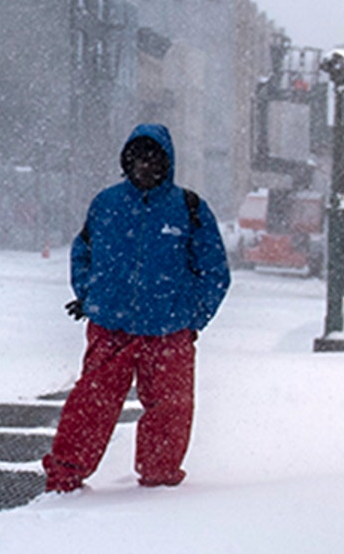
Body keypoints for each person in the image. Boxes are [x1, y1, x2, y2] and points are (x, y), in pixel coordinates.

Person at [43, 124, 231, 492]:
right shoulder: (107, 204)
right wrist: (91, 295)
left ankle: (159, 482)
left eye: (153, 157)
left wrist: (193, 319)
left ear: (167, 162)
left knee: (170, 410)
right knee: (91, 405)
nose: (145, 165)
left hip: (169, 331)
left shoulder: (188, 208)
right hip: (111, 327)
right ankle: (65, 476)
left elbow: (215, 272)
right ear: (126, 162)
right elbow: (83, 251)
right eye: (138, 157)